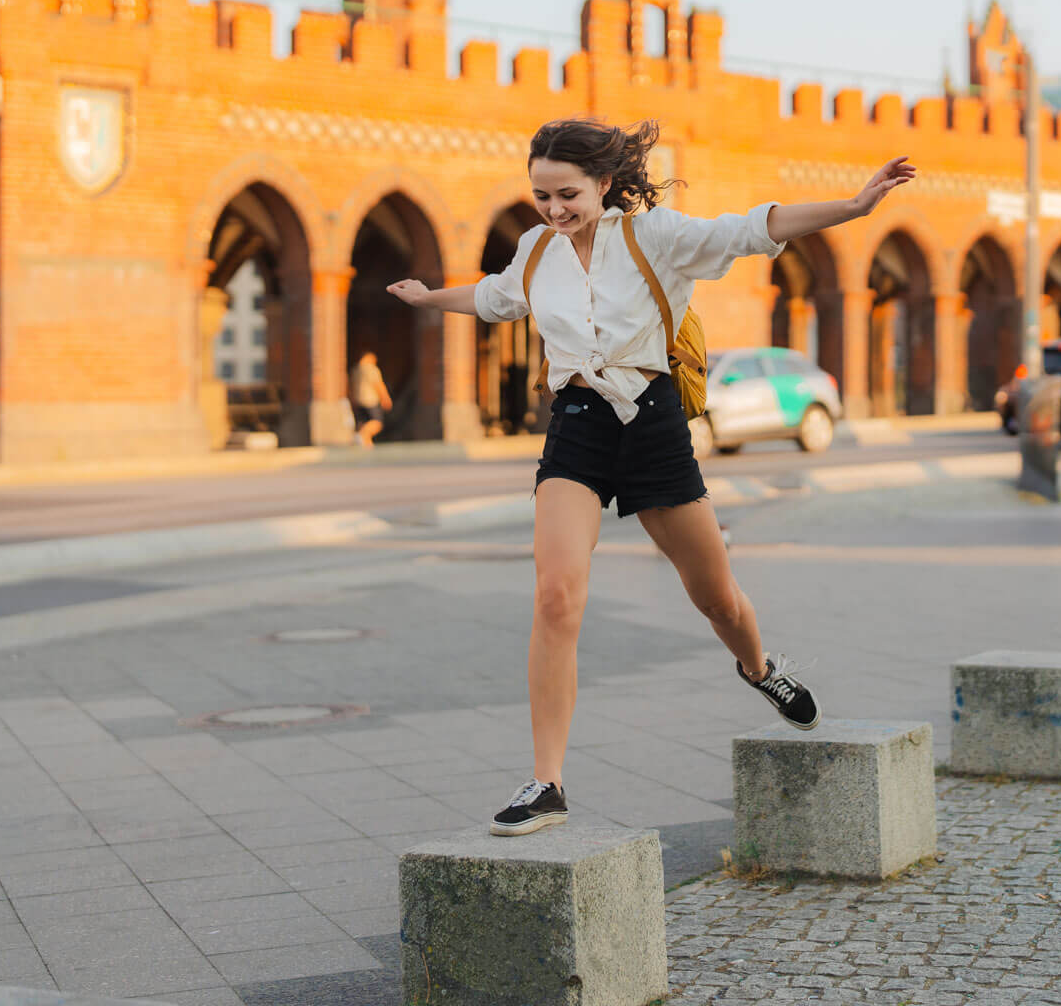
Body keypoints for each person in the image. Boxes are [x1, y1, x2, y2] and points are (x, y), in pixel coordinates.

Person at [387, 116, 915, 835]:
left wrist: (853, 206)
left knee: (717, 598)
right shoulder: (536, 250)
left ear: (604, 184)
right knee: (555, 596)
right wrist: (427, 299)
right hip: (576, 423)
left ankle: (760, 668)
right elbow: (494, 297)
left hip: (654, 423)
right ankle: (547, 783)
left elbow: (751, 228)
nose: (552, 209)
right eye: (540, 195)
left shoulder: (655, 238)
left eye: (566, 193)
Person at [348, 350, 391, 446]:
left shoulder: (355, 370)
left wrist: (352, 400)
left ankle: (367, 444)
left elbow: (350, 387)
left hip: (358, 400)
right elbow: (378, 385)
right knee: (377, 422)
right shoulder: (371, 369)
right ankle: (361, 434)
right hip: (370, 400)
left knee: (363, 422)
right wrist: (385, 398)